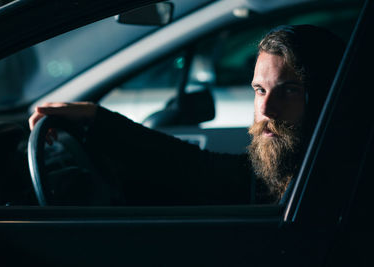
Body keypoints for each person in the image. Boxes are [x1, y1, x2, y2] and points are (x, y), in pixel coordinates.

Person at [29, 25, 345, 205]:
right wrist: (94, 117)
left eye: (289, 90)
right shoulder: (289, 172)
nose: (265, 110)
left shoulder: (337, 182)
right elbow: (196, 167)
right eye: (260, 90)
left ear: (327, 96)